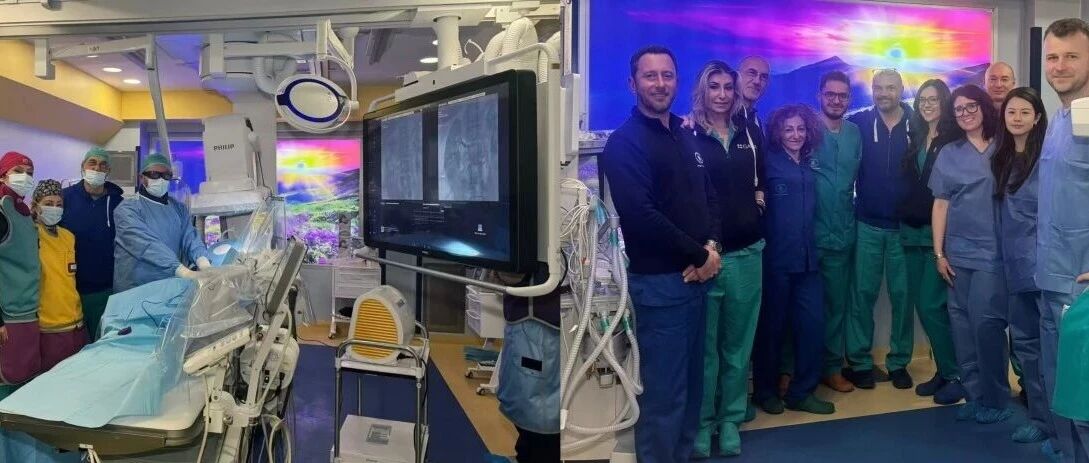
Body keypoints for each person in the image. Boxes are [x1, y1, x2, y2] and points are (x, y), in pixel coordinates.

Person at [600, 45, 721, 463]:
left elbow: (709, 198)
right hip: (660, 287)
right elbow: (641, 216)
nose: (660, 83)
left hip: (697, 283)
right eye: (650, 76)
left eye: (667, 75)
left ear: (677, 81)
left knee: (691, 391)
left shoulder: (685, 136)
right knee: (664, 397)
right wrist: (700, 256)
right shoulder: (624, 144)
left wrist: (712, 248)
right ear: (632, 83)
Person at [685, 60, 764, 458]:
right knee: (706, 347)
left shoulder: (749, 132)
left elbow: (761, 178)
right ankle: (702, 421)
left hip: (748, 253)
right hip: (707, 257)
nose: (721, 94)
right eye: (713, 86)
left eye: (728, 87)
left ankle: (730, 418)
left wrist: (759, 201)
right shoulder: (687, 134)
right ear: (702, 90)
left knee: (738, 345)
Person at [929, 84, 1011, 425]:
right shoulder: (949, 153)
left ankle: (997, 398)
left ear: (984, 107)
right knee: (962, 328)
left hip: (993, 254)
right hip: (957, 255)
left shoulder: (1004, 146)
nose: (965, 113)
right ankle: (975, 396)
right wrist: (939, 253)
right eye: (959, 109)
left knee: (986, 327)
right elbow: (941, 204)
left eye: (971, 106)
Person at [752, 104, 833, 416]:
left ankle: (802, 392)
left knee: (813, 326)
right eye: (788, 129)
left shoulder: (809, 161)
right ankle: (765, 391)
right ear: (778, 132)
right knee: (771, 330)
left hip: (808, 260)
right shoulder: (768, 162)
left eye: (800, 129)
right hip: (776, 260)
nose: (795, 135)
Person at [1037, 17, 1089, 462]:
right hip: (1050, 279)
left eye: (1072, 56)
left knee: (1085, 404)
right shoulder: (1060, 119)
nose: (1059, 66)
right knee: (1060, 394)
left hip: (1081, 285)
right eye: (1052, 57)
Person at [844, 69, 914, 389]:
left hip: (904, 229)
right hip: (867, 225)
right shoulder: (858, 123)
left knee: (903, 298)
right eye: (878, 88)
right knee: (861, 296)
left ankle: (899, 362)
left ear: (901, 90)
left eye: (890, 88)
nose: (884, 93)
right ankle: (859, 362)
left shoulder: (917, 124)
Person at [896, 79, 964, 404]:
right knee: (922, 307)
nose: (927, 104)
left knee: (931, 305)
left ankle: (956, 374)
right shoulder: (918, 137)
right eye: (922, 99)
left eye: (933, 99)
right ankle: (944, 371)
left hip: (940, 236)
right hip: (912, 233)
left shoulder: (954, 140)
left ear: (945, 102)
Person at [992, 87, 1051, 444]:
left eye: (1025, 112)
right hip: (1014, 268)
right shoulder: (1000, 158)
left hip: (1044, 269)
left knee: (1050, 351)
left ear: (1037, 117)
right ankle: (1041, 421)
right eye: (1011, 112)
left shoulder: (1047, 160)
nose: (1016, 118)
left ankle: (1063, 431)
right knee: (1026, 348)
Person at [811, 71, 861, 393]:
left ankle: (831, 368)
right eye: (830, 94)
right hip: (808, 235)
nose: (836, 100)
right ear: (820, 95)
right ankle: (790, 369)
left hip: (842, 234)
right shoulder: (805, 128)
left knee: (835, 307)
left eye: (842, 95)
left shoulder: (855, 133)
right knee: (800, 307)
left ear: (849, 99)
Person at [113, 154, 211, 293]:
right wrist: (182, 271)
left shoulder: (178, 208)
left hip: (170, 287)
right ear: (142, 177)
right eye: (154, 174)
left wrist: (204, 263)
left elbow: (190, 238)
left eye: (166, 175)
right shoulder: (127, 209)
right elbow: (146, 245)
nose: (160, 179)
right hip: (136, 290)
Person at [61, 147, 124, 340]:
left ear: (108, 171)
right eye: (92, 163)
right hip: (68, 288)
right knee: (71, 348)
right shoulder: (64, 198)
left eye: (103, 165)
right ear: (83, 167)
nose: (97, 168)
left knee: (103, 343)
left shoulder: (118, 203)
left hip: (104, 290)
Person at [31, 180, 89, 372]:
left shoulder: (68, 237)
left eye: (59, 205)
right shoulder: (30, 235)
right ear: (35, 206)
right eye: (48, 204)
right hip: (49, 328)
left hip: (76, 323)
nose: (54, 209)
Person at [0, 151, 43, 400]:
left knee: (23, 381)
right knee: (6, 383)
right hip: (7, 316)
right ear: (2, 175)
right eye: (18, 171)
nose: (24, 177)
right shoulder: (2, 212)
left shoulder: (23, 212)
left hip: (27, 312)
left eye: (29, 173)